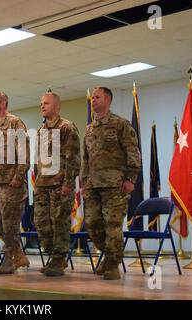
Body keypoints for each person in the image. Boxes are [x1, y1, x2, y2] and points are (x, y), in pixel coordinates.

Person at [81, 87, 141, 280]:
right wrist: (83, 182)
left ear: (108, 100)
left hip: (115, 185)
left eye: (97, 97)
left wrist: (131, 178)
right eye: (93, 98)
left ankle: (113, 264)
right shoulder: (90, 128)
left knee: (113, 225)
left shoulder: (120, 124)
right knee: (92, 224)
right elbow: (85, 158)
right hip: (93, 185)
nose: (93, 101)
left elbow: (132, 151)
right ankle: (108, 256)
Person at [34, 92, 81, 276]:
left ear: (56, 106)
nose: (42, 106)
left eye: (46, 103)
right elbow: (39, 159)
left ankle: (59, 259)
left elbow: (73, 158)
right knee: (41, 223)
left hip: (60, 185)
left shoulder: (66, 128)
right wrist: (37, 182)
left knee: (59, 224)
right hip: (42, 185)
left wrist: (68, 183)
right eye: (41, 103)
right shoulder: (41, 131)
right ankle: (54, 256)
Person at [0, 91, 30, 274]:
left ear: (3, 103)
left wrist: (18, 177)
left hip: (11, 183)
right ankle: (18, 255)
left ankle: (9, 261)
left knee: (10, 225)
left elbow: (24, 152)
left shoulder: (15, 123)